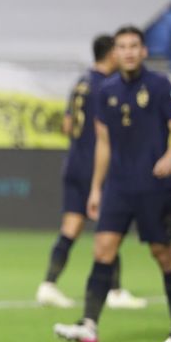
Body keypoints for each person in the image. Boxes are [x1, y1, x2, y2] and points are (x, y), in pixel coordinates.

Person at [54, 26, 171, 342]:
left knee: (163, 253)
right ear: (115, 52)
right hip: (117, 187)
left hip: (152, 186)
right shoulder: (106, 90)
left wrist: (170, 156)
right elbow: (103, 143)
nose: (128, 51)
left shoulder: (159, 85)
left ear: (143, 51)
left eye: (134, 46)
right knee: (103, 250)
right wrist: (97, 189)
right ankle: (88, 326)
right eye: (122, 46)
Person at [36, 35, 146, 310]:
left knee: (71, 227)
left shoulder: (81, 83)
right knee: (110, 227)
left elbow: (66, 125)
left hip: (73, 162)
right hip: (95, 165)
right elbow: (109, 130)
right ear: (111, 55)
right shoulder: (106, 87)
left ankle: (48, 285)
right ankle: (116, 291)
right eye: (119, 51)